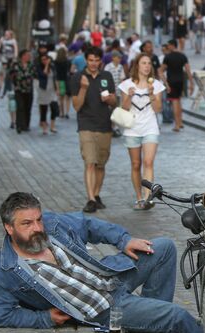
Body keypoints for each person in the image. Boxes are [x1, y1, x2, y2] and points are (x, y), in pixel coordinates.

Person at [0, 192, 205, 333]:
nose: (38, 228)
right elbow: (1, 315)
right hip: (104, 308)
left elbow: (88, 225)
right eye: (27, 223)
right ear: (9, 227)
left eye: (38, 219)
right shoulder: (3, 272)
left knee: (164, 247)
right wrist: (44, 318)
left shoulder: (52, 224)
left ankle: (155, 327)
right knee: (176, 316)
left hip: (111, 275)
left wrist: (123, 239)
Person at [70, 46, 117, 213]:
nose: (94, 63)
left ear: (101, 61)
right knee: (90, 162)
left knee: (100, 164)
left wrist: (110, 99)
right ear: (86, 60)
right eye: (91, 60)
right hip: (86, 125)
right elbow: (76, 106)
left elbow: (114, 102)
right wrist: (83, 87)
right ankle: (90, 199)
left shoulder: (107, 76)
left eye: (97, 60)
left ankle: (96, 195)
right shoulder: (78, 77)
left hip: (104, 124)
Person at [118, 54, 165, 210]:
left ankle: (147, 198)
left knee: (148, 162)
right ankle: (138, 197)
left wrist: (151, 94)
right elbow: (123, 108)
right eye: (143, 63)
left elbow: (158, 109)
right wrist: (129, 96)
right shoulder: (126, 84)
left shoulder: (156, 85)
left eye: (149, 63)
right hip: (132, 129)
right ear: (137, 65)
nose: (147, 66)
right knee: (136, 164)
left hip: (150, 127)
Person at [159, 39, 194, 132]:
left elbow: (161, 71)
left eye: (168, 45)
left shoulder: (167, 57)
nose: (167, 47)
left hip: (171, 81)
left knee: (174, 103)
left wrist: (165, 83)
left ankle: (177, 125)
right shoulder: (183, 56)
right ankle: (180, 122)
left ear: (171, 45)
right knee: (179, 101)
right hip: (180, 81)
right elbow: (188, 70)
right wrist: (191, 83)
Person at [10, 50, 36, 134]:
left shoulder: (31, 65)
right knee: (20, 107)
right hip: (19, 89)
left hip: (29, 89)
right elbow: (11, 74)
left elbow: (34, 74)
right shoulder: (16, 64)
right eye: (27, 55)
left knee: (28, 107)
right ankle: (19, 125)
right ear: (23, 56)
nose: (29, 57)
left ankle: (26, 125)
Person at [36, 54, 59, 135]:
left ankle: (52, 126)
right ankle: (44, 128)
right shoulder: (39, 67)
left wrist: (57, 89)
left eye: (46, 59)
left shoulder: (52, 67)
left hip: (52, 90)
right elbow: (44, 74)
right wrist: (46, 65)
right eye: (43, 59)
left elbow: (55, 78)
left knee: (54, 108)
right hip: (43, 90)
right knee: (44, 109)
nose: (45, 61)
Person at [54, 48, 71, 119]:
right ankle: (67, 112)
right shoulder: (68, 61)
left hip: (59, 80)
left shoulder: (55, 62)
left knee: (61, 98)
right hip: (67, 80)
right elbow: (69, 71)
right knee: (67, 97)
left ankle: (62, 112)